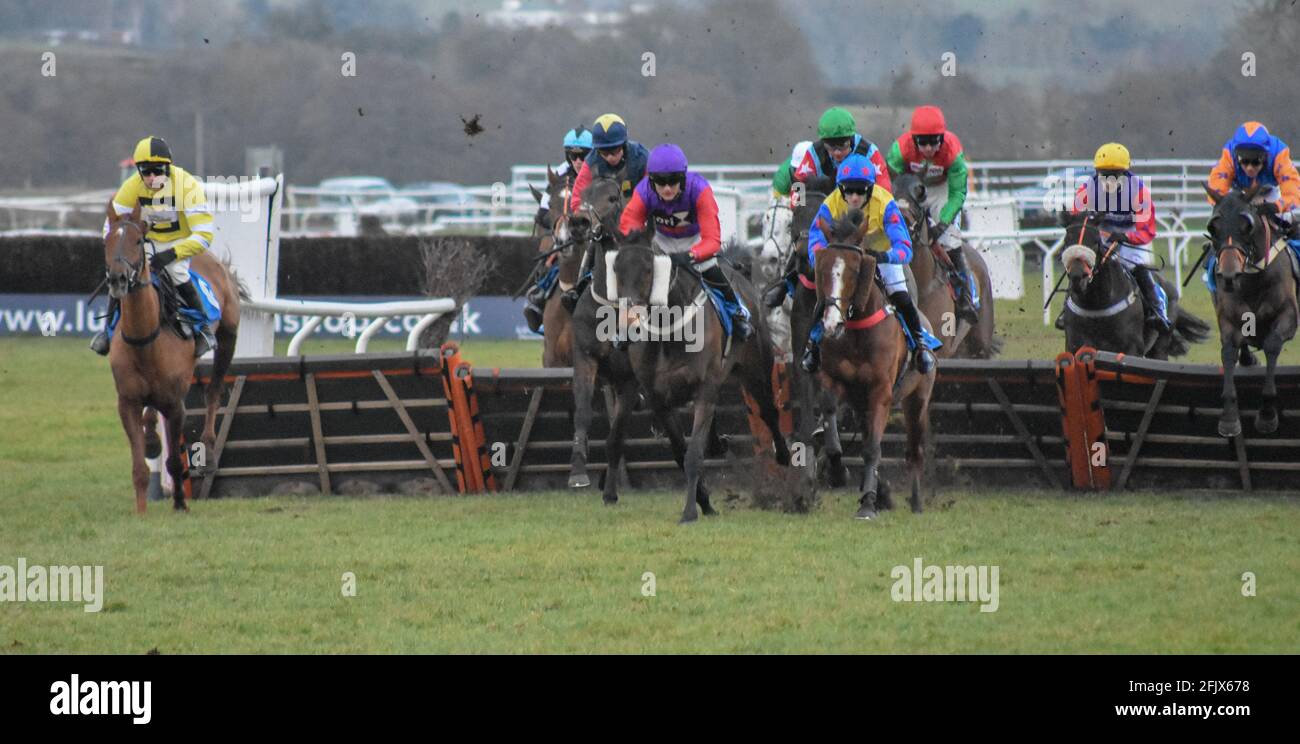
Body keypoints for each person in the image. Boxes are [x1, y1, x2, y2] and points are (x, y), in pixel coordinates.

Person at [801, 154, 942, 373]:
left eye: (861, 190)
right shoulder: (830, 204)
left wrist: (887, 256)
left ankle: (920, 344)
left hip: (881, 258)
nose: (854, 197)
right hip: (846, 260)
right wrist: (822, 259)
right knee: (826, 296)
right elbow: (815, 239)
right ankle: (814, 345)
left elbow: (905, 247)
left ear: (871, 189)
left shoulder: (886, 203)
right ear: (840, 188)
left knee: (901, 295)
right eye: (849, 190)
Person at [90, 136, 216, 357]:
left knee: (176, 272)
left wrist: (172, 254)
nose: (151, 177)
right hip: (148, 241)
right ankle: (107, 332)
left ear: (168, 167)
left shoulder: (187, 186)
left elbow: (204, 234)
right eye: (145, 172)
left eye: (157, 171)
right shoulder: (131, 187)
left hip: (181, 241)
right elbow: (109, 228)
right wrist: (117, 251)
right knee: (123, 272)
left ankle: (203, 328)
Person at [617, 143, 752, 341]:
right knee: (634, 271)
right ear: (651, 180)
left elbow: (712, 240)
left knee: (710, 268)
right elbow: (628, 225)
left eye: (673, 181)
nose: (667, 188)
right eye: (660, 183)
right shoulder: (643, 191)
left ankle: (737, 312)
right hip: (660, 240)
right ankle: (626, 323)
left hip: (695, 240)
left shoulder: (699, 189)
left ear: (684, 177)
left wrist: (691, 255)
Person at [763, 107, 892, 308]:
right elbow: (798, 186)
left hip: (863, 212)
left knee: (890, 272)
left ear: (852, 138)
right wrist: (801, 212)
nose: (837, 153)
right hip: (831, 207)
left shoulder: (870, 153)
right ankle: (786, 282)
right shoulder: (814, 153)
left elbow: (885, 193)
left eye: (842, 146)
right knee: (804, 239)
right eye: (831, 148)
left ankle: (899, 302)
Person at [886, 104, 978, 322]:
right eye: (923, 142)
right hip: (909, 189)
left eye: (933, 141)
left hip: (942, 190)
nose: (928, 148)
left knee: (950, 241)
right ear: (913, 139)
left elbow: (957, 194)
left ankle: (965, 294)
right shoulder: (899, 150)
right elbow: (888, 183)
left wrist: (942, 223)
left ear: (942, 138)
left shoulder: (953, 153)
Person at [1065, 142, 1167, 330]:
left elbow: (1147, 231)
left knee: (1138, 267)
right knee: (1079, 265)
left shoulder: (1139, 192)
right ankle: (1067, 310)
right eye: (1104, 174)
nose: (1108, 180)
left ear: (1125, 173)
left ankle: (1156, 310)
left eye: (1114, 175)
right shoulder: (1087, 190)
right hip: (1102, 236)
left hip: (1131, 238)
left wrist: (1126, 237)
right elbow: (1077, 220)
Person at [561, 113, 651, 310]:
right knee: (593, 246)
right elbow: (577, 199)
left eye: (614, 150)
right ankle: (579, 285)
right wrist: (592, 222)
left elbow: (652, 193)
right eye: (604, 152)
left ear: (624, 144)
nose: (610, 156)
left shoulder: (642, 158)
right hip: (606, 223)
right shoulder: (591, 162)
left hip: (639, 223)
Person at [1204, 121, 1300, 294]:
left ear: (1265, 156)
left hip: (1271, 193)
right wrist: (1228, 208)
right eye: (1244, 161)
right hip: (1238, 196)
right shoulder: (1228, 154)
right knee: (1222, 233)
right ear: (1236, 156)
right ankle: (1212, 275)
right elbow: (1216, 188)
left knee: (1292, 223)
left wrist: (1276, 206)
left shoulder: (1280, 153)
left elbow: (1293, 191)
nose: (1249, 167)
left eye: (1256, 162)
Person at [523, 126, 592, 332]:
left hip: (594, 232)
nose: (578, 160)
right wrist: (560, 224)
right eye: (573, 155)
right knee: (550, 252)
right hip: (567, 233)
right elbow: (542, 213)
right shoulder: (560, 172)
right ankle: (539, 295)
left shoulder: (599, 171)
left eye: (583, 155)